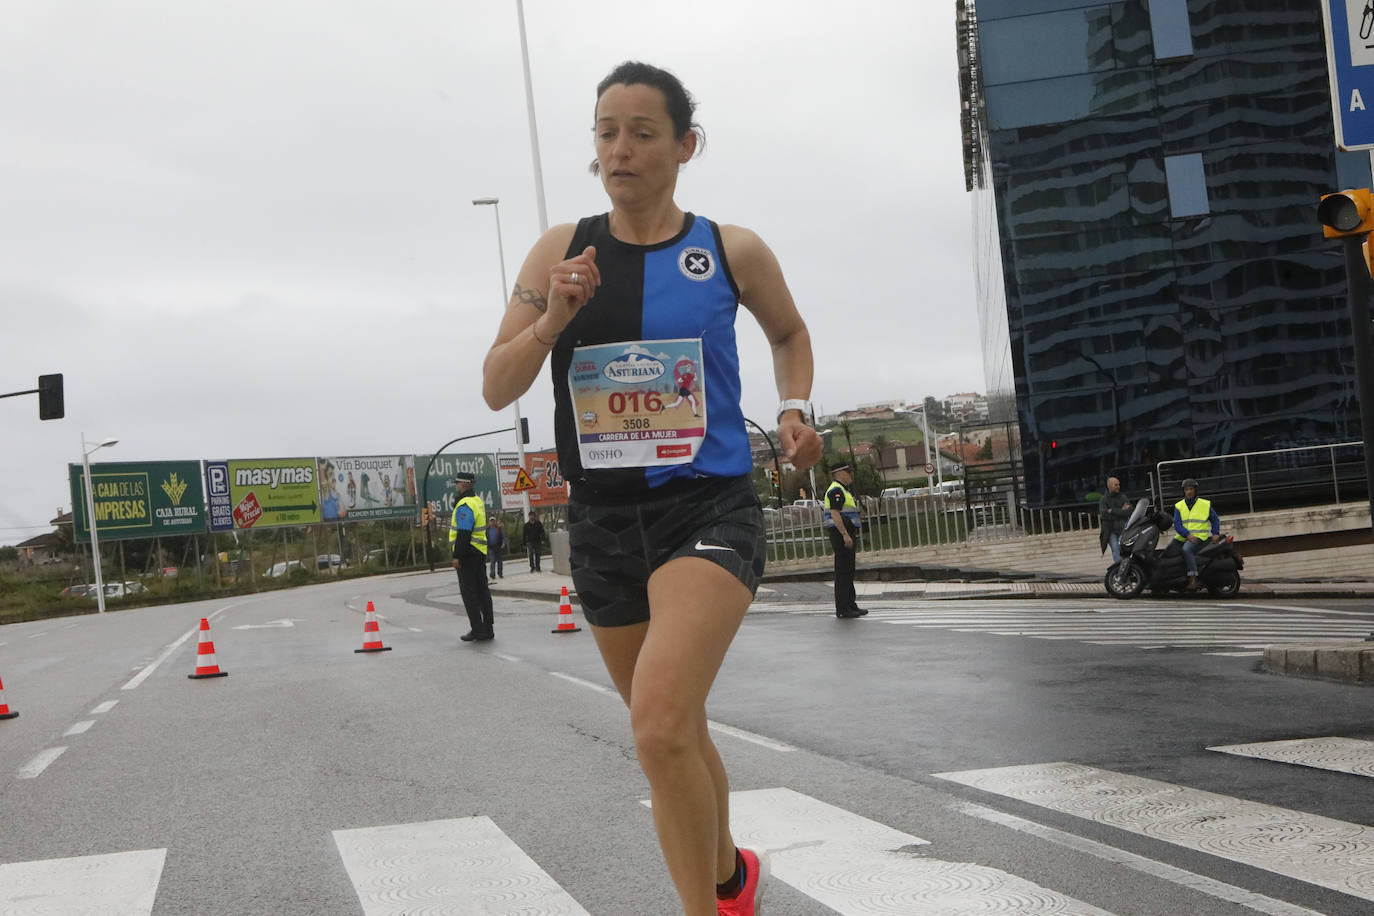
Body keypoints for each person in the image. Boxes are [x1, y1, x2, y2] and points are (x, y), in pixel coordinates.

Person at [481, 60, 822, 916]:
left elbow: (788, 333)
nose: (621, 149)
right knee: (672, 734)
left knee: (661, 723)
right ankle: (730, 881)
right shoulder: (558, 251)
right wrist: (554, 319)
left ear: (685, 145)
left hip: (706, 506)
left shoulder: (728, 248)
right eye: (606, 132)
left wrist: (794, 409)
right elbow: (495, 385)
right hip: (600, 520)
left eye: (642, 132)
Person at [449, 472, 494, 641]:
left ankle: (478, 629)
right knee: (482, 591)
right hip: (479, 552)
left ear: (465, 484)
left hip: (467, 554)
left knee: (469, 593)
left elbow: (464, 532)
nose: (456, 486)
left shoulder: (465, 504)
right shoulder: (477, 500)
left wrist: (457, 556)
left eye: (458, 483)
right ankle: (488, 628)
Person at [824, 464, 867, 619]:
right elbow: (835, 514)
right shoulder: (836, 490)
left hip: (845, 532)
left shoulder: (842, 490)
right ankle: (843, 608)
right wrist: (844, 534)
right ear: (839, 473)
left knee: (849, 570)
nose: (850, 475)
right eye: (848, 472)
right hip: (840, 533)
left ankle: (850, 604)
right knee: (843, 571)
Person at [1173, 477, 1221, 590]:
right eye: (1186, 489)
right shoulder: (1178, 506)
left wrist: (1215, 533)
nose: (1189, 492)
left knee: (1186, 550)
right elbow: (1177, 524)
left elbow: (1215, 519)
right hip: (1184, 538)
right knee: (1169, 552)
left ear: (1195, 490)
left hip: (1199, 538)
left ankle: (1193, 578)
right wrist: (1187, 535)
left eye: (1191, 489)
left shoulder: (1204, 504)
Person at [1098, 476, 1133, 564]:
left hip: (1123, 529)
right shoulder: (1104, 500)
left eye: (1119, 484)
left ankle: (1126, 566)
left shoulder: (1123, 497)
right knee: (1115, 548)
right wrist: (1121, 511)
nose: (1118, 486)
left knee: (1124, 547)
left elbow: (1129, 511)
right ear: (1109, 486)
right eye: (1116, 485)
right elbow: (1104, 515)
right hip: (1110, 530)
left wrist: (1112, 510)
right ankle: (1119, 568)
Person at [487, 516, 506, 581]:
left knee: (499, 561)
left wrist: (503, 543)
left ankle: (500, 573)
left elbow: (503, 537)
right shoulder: (487, 530)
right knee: (492, 561)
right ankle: (492, 575)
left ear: (495, 522)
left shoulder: (499, 529)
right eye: (491, 521)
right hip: (491, 547)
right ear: (489, 522)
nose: (492, 522)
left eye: (493, 521)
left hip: (498, 547)